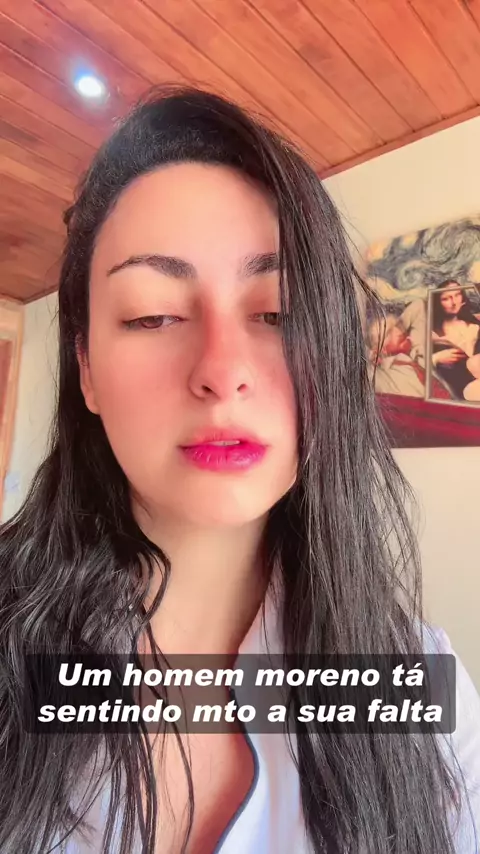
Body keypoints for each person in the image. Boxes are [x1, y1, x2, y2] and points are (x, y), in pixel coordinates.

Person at [0, 87, 479, 854]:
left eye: (278, 314)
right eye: (153, 314)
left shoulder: (418, 683)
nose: (222, 373)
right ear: (85, 368)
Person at [431, 284, 480, 401]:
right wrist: (436, 358)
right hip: (460, 388)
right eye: (446, 298)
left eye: (457, 295)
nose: (454, 302)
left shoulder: (474, 326)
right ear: (437, 302)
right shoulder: (432, 334)